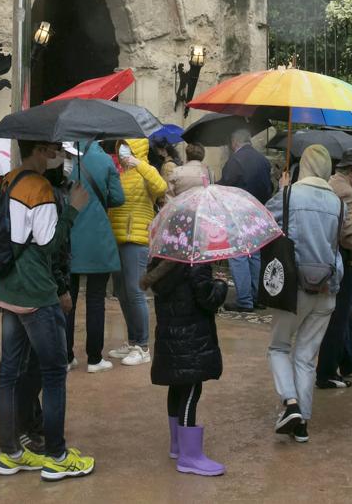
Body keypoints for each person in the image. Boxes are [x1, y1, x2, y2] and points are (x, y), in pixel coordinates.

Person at [0, 140, 95, 482]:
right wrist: (74, 208)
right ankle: (56, 455)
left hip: (8, 290)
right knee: (53, 374)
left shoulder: (10, 179)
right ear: (39, 149)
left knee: (9, 373)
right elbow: (50, 244)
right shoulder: (40, 188)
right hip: (37, 293)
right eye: (53, 147)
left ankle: (10, 454)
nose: (58, 154)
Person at [266, 145, 343, 443]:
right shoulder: (338, 202)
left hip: (293, 287)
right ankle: (302, 425)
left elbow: (263, 221)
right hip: (328, 288)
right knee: (307, 358)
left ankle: (291, 404)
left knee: (278, 348)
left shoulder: (289, 195)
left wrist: (282, 190)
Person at [140, 258, 228, 475]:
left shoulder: (161, 262)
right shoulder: (195, 262)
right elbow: (207, 299)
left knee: (177, 386)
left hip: (172, 338)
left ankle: (177, 446)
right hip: (191, 339)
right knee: (191, 389)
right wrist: (220, 286)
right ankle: (190, 456)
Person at [316, 148, 352, 389]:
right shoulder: (346, 192)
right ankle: (327, 372)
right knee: (338, 317)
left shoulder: (331, 184)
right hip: (346, 258)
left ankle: (348, 359)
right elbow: (349, 233)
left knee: (342, 316)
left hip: (332, 256)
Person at [64, 141, 124, 373]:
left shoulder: (64, 159)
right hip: (98, 238)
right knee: (96, 300)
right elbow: (118, 198)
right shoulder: (105, 160)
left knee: (68, 300)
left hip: (69, 238)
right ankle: (95, 358)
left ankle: (66, 356)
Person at [108, 138, 167, 365]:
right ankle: (133, 341)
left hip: (137, 239)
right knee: (122, 293)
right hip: (118, 238)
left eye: (127, 146)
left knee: (135, 292)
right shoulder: (121, 173)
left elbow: (160, 187)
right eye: (120, 146)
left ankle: (143, 347)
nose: (122, 150)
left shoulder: (146, 170)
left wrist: (138, 164)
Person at [219, 128, 273, 312]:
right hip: (258, 211)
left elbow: (225, 187)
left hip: (238, 212)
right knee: (254, 254)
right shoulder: (263, 161)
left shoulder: (235, 160)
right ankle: (257, 296)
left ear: (235, 142)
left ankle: (244, 300)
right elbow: (269, 187)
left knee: (238, 255)